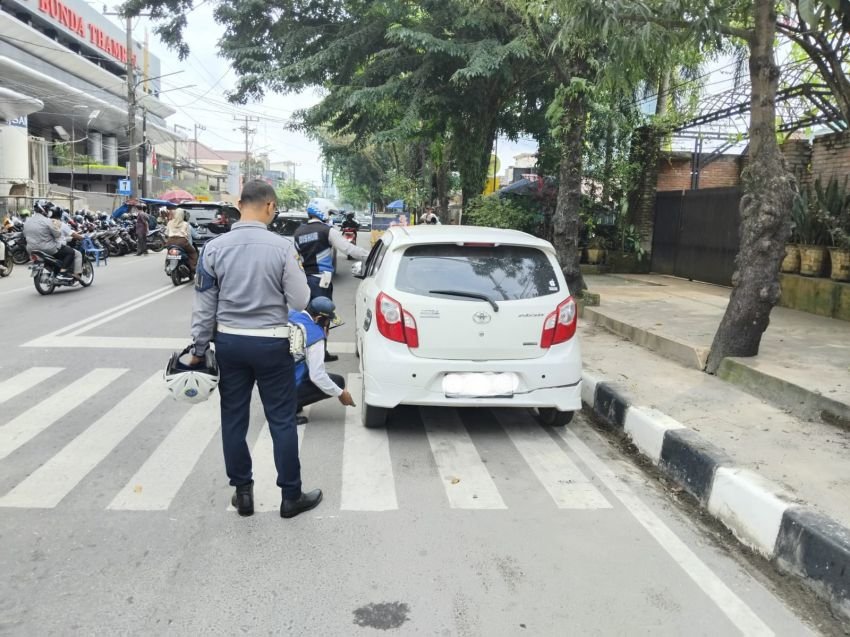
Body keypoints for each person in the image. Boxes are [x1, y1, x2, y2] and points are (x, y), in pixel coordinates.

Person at [188, 180, 320, 520]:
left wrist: (199, 349)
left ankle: (243, 494)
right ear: (270, 207)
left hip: (229, 343)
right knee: (280, 419)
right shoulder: (282, 247)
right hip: (271, 344)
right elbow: (301, 300)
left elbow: (204, 307)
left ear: (239, 204)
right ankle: (291, 496)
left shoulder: (214, 248)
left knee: (234, 418)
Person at [293, 203, 369, 362]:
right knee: (323, 317)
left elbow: (295, 258)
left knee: (307, 316)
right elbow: (348, 249)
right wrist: (371, 256)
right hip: (322, 282)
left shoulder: (298, 232)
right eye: (330, 213)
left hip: (304, 281)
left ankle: (304, 351)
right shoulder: (327, 231)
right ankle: (321, 353)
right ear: (323, 212)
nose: (331, 217)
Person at [289, 297, 356, 424]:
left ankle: (288, 404)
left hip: (269, 383)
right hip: (284, 387)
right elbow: (317, 376)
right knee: (338, 382)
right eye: (328, 321)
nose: (328, 325)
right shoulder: (315, 336)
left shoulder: (292, 314)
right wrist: (340, 393)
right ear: (319, 319)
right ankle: (286, 411)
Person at [24, 201, 76, 275]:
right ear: (43, 209)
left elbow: (25, 234)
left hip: (31, 249)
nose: (48, 211)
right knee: (71, 252)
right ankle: (63, 271)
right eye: (47, 209)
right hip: (48, 248)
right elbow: (57, 235)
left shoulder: (27, 221)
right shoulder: (47, 221)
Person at [50, 208, 83, 279]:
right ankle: (74, 274)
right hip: (57, 247)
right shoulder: (61, 224)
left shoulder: (46, 222)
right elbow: (72, 234)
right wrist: (81, 237)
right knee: (76, 253)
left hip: (47, 246)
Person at [165, 208, 199, 273]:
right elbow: (188, 235)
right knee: (193, 253)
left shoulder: (169, 223)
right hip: (182, 242)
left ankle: (167, 266)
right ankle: (193, 268)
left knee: (169, 253)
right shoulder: (185, 224)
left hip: (170, 241)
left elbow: (166, 233)